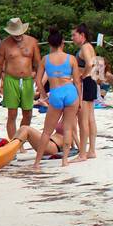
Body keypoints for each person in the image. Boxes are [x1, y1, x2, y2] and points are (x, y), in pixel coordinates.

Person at [34, 28, 79, 169]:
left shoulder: (45, 59)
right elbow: (77, 81)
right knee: (68, 129)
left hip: (55, 93)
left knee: (47, 131)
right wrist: (80, 99)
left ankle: (37, 162)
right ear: (62, 43)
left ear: (49, 44)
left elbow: (38, 80)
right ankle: (65, 160)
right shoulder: (71, 58)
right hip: (71, 92)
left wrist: (43, 95)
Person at [0, 17, 41, 138]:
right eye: (15, 34)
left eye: (20, 33)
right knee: (12, 113)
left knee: (28, 113)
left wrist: (38, 79)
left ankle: (20, 139)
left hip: (27, 80)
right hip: (11, 80)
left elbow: (38, 62)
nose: (18, 35)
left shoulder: (32, 42)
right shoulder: (4, 44)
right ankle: (13, 143)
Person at [72, 24, 99, 160]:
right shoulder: (89, 47)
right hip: (92, 81)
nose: (72, 38)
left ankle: (82, 153)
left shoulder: (84, 47)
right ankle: (91, 150)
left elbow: (89, 64)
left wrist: (82, 76)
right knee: (90, 118)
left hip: (87, 82)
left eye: (74, 35)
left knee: (84, 120)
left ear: (82, 35)